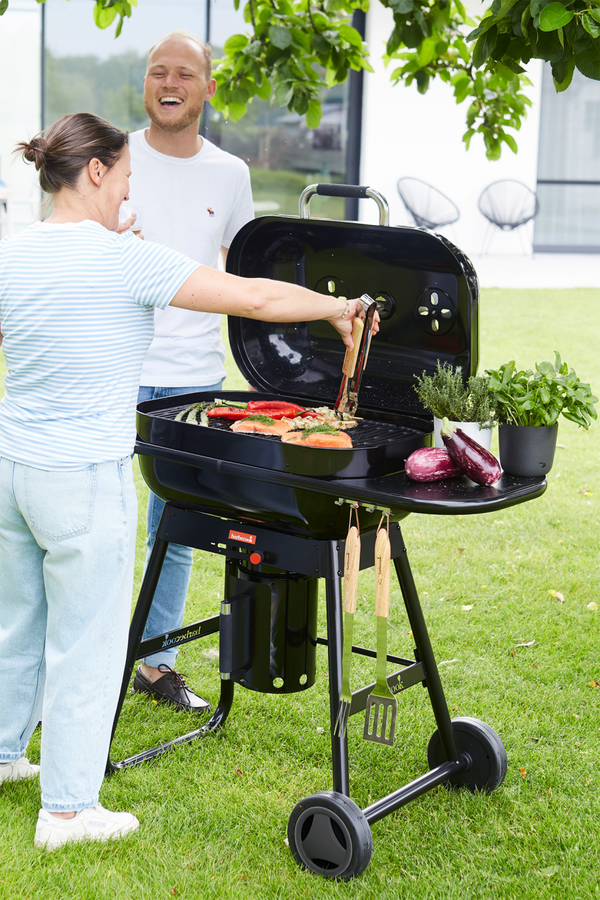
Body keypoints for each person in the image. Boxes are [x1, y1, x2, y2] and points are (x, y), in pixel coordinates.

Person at [0, 112, 370, 851]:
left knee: (17, 623)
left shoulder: (14, 252)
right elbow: (255, 298)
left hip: (14, 466)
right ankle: (68, 812)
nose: (128, 195)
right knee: (90, 639)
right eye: (127, 179)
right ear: (97, 171)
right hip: (83, 476)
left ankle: (6, 755)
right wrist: (339, 307)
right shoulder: (124, 260)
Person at [124, 31, 255, 712]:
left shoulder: (230, 174)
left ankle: (154, 665)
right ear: (145, 84)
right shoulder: (110, 159)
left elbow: (242, 278)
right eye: (157, 73)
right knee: (93, 525)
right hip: (113, 368)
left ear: (207, 88)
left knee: (171, 529)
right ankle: (83, 658)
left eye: (183, 74)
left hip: (191, 381)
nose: (168, 84)